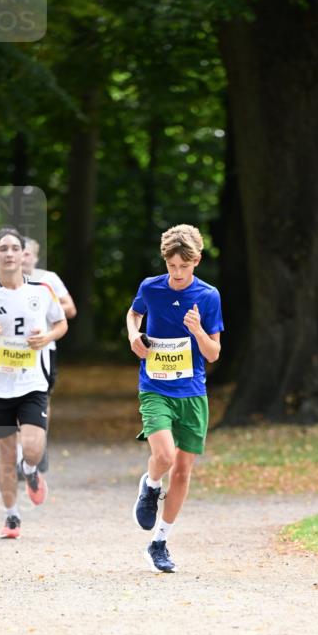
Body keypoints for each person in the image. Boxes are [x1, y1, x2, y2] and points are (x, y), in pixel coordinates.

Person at [126, 224, 224, 573]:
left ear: (196, 260)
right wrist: (133, 334)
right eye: (172, 267)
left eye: (185, 266)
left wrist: (197, 330)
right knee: (164, 456)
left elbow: (213, 354)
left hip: (192, 393)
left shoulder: (208, 296)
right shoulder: (150, 288)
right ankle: (151, 485)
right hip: (155, 386)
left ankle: (159, 542)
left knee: (182, 472)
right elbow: (134, 312)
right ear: (165, 261)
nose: (178, 273)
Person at [0, 227, 68, 539]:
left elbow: (61, 323)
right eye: (3, 249)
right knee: (6, 453)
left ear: (24, 255)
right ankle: (12, 516)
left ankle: (32, 469)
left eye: (14, 248)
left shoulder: (42, 290)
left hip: (33, 381)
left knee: (33, 448)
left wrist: (47, 337)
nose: (9, 254)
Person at [18, 236, 77, 474]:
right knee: (14, 398)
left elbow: (71, 309)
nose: (23, 258)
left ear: (35, 256)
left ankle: (38, 446)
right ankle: (22, 453)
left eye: (27, 254)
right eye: (18, 253)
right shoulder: (5, 281)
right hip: (13, 351)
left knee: (42, 398)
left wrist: (43, 306)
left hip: (44, 350)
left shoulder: (48, 279)